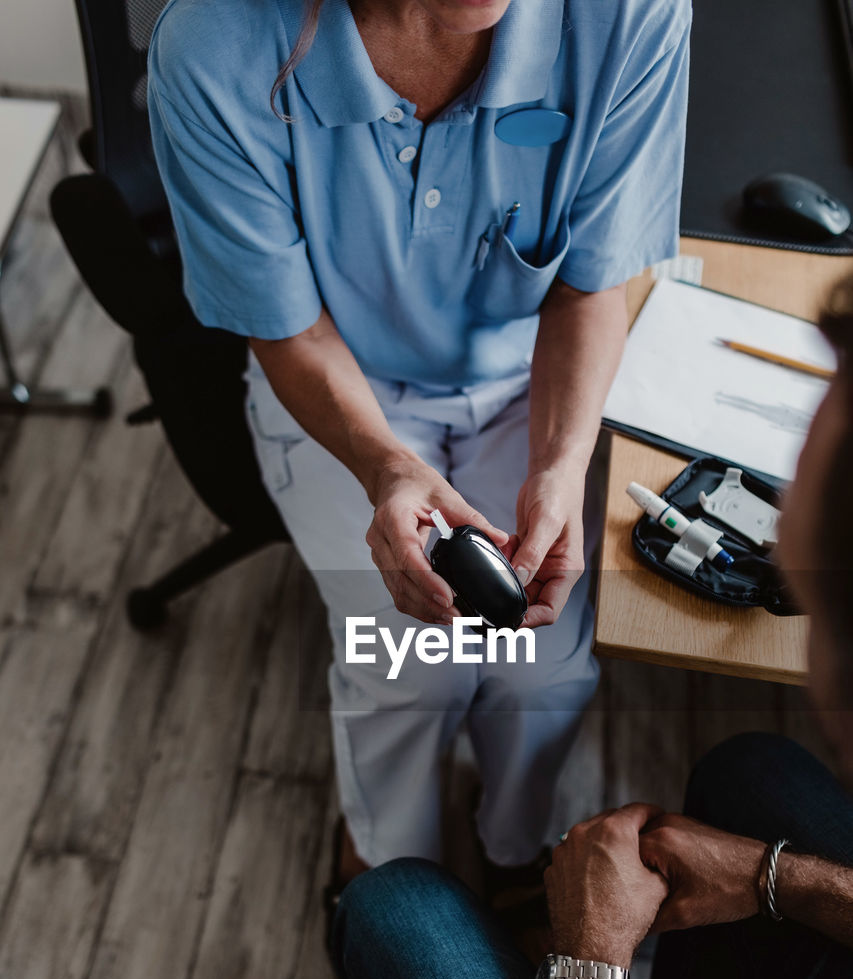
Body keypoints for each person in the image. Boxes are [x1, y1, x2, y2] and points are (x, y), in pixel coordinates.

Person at [331, 277, 853, 979]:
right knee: (752, 775)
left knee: (394, 908)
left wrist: (592, 964)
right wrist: (778, 874)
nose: (778, 541)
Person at [146, 0, 691, 905]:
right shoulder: (214, 42)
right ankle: (387, 861)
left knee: (545, 660)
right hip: (344, 386)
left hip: (529, 382)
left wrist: (557, 469)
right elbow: (288, 331)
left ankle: (519, 847)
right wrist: (385, 465)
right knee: (403, 663)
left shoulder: (630, 14)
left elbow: (592, 285)